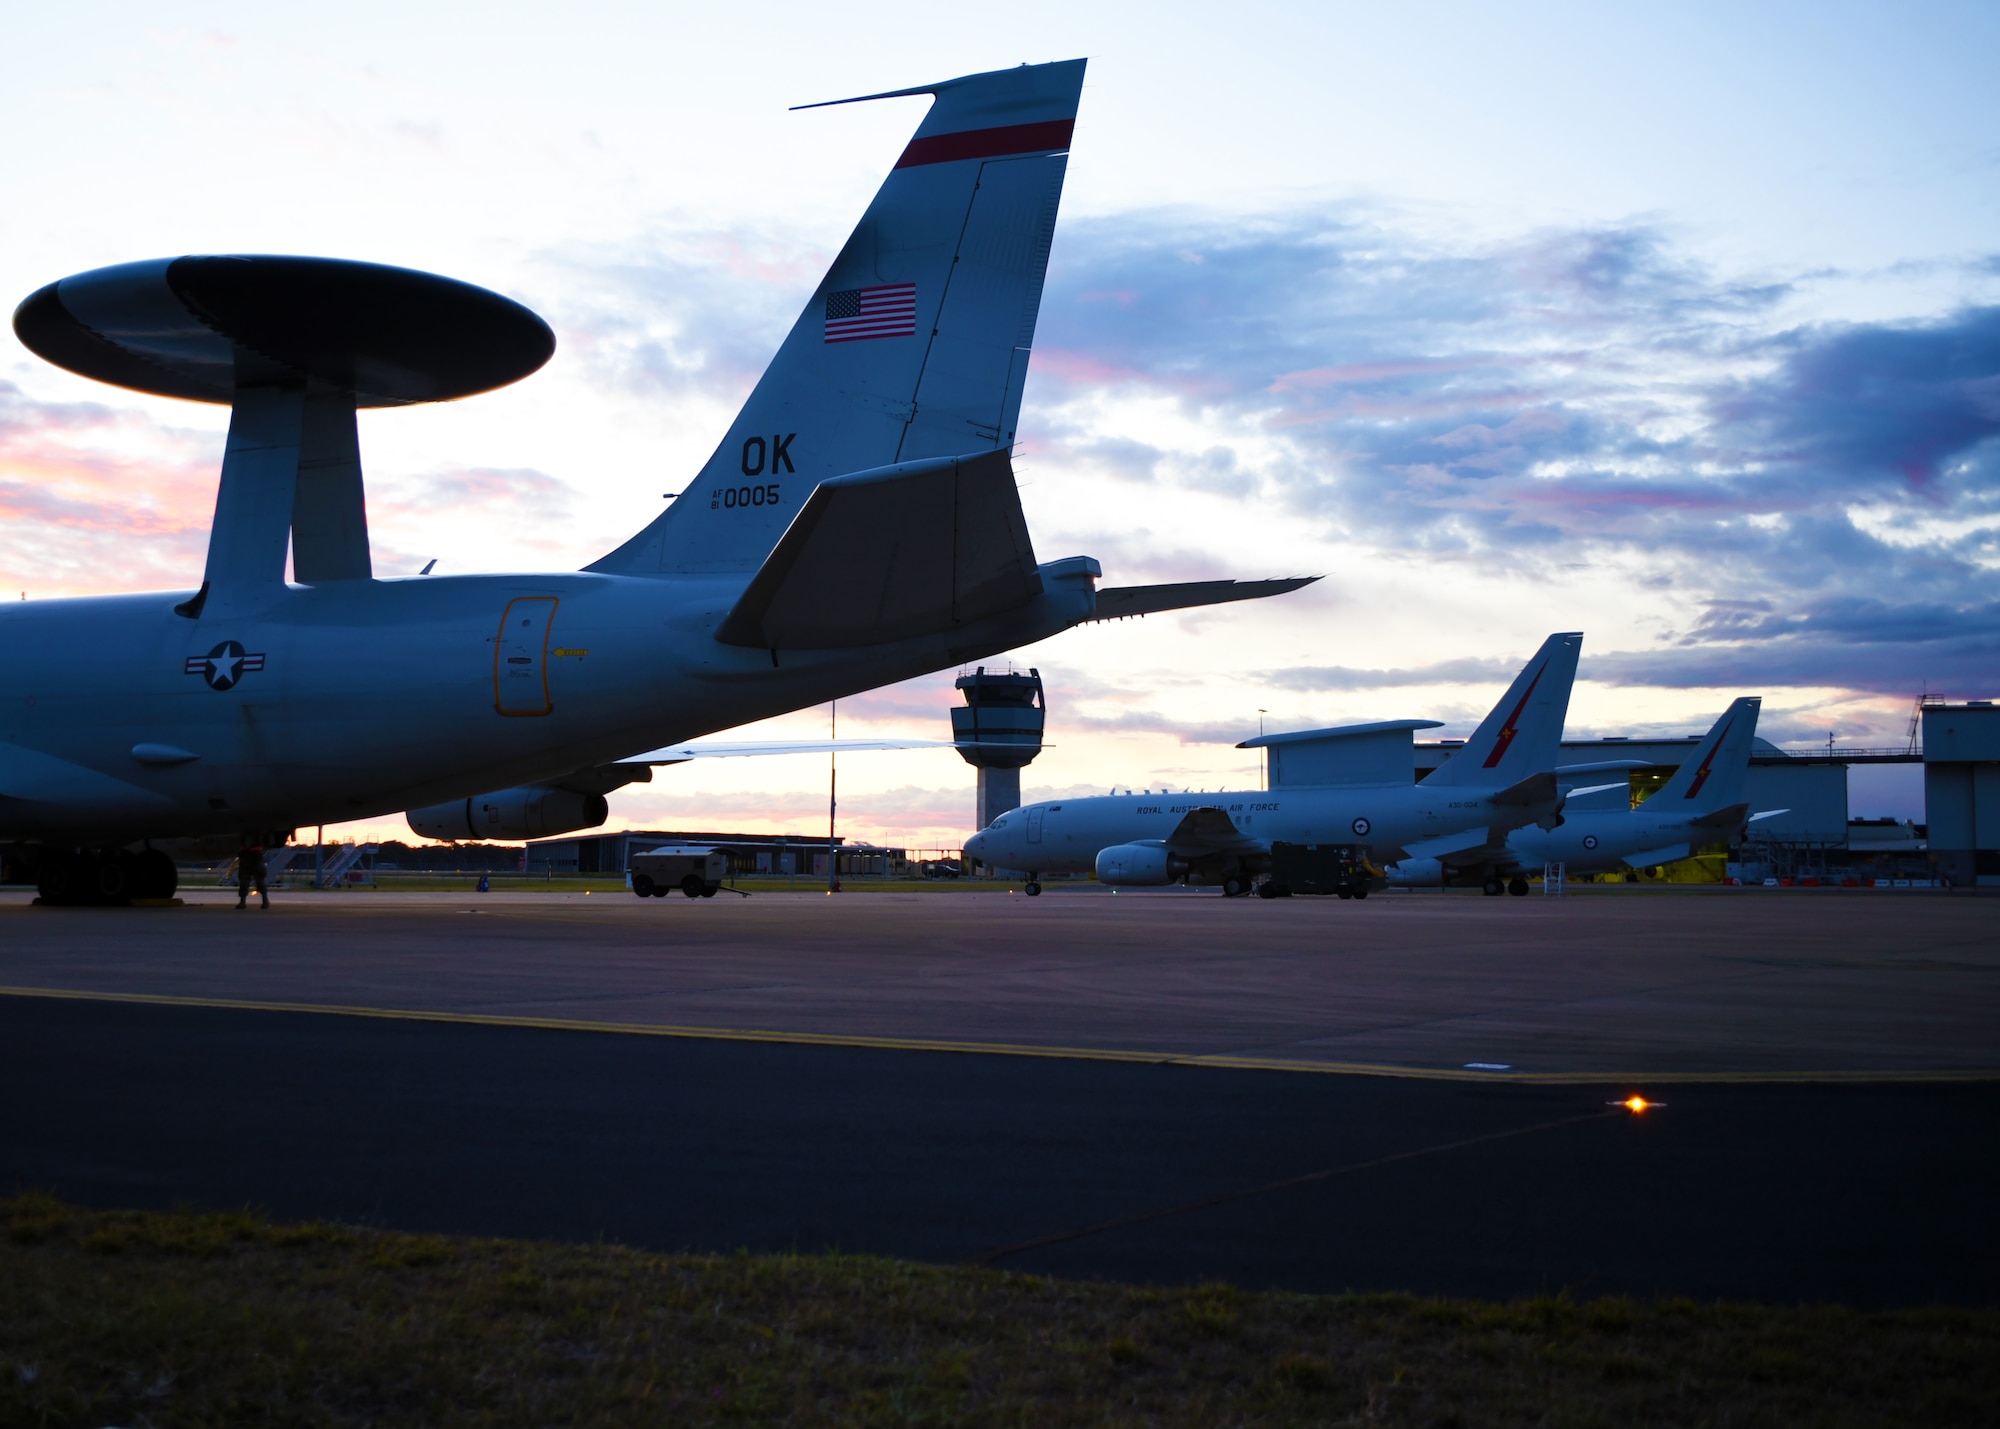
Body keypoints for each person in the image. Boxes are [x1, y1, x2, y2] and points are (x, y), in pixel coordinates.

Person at [237, 844, 268, 910]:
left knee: (258, 882)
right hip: (249, 859)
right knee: (244, 883)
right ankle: (265, 901)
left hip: (253, 859)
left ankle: (265, 901)